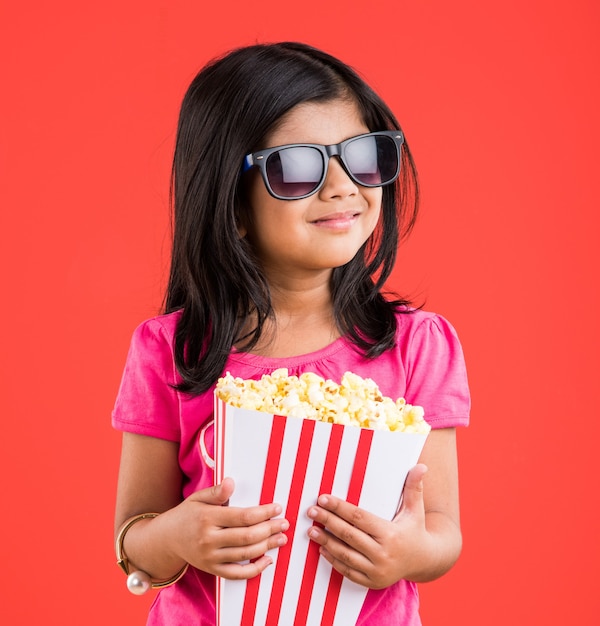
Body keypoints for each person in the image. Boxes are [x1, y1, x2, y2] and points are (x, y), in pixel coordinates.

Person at [112, 41, 470, 626]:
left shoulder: (418, 346)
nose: (342, 186)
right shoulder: (170, 350)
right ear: (231, 200)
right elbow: (134, 539)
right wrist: (177, 536)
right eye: (298, 167)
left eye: (364, 156)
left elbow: (443, 533)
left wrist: (406, 552)